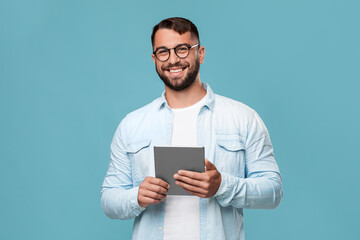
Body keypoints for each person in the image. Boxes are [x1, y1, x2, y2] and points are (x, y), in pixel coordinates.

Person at [101, 17, 283, 240]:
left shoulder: (243, 118)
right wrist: (137, 197)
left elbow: (273, 191)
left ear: (201, 53)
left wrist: (222, 186)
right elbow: (109, 199)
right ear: (154, 58)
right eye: (163, 52)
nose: (173, 60)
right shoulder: (132, 125)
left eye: (183, 49)